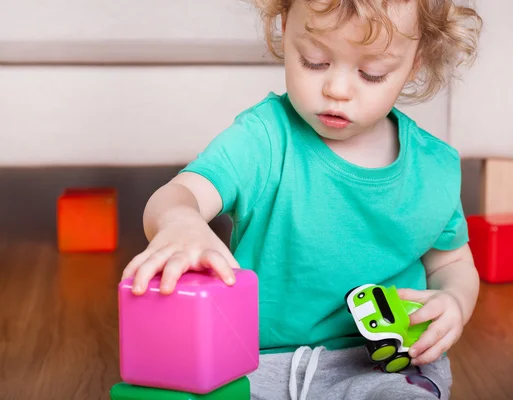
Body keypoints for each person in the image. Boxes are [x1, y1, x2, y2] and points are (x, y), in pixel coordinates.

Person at [121, 0, 482, 399]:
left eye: (371, 72)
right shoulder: (264, 138)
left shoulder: (434, 168)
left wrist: (455, 301)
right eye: (314, 61)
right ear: (283, 28)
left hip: (380, 366)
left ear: (416, 63)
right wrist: (179, 222)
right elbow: (181, 192)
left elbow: (451, 261)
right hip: (253, 361)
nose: (337, 90)